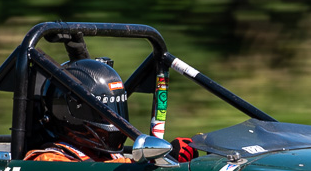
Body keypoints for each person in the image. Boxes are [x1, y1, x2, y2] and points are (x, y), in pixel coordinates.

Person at [23, 57, 197, 163]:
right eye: (103, 112)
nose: (112, 120)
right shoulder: (48, 160)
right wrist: (143, 167)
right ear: (70, 115)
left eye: (115, 109)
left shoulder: (107, 154)